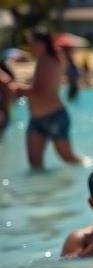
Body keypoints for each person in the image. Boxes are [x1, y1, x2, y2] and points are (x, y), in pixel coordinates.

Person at [0, 27, 82, 170]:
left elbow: (43, 91)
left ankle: (87, 168)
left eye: (32, 42)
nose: (30, 46)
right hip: (36, 119)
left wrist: (19, 88)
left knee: (68, 158)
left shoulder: (49, 62)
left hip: (54, 117)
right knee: (35, 164)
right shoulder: (43, 61)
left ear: (41, 43)